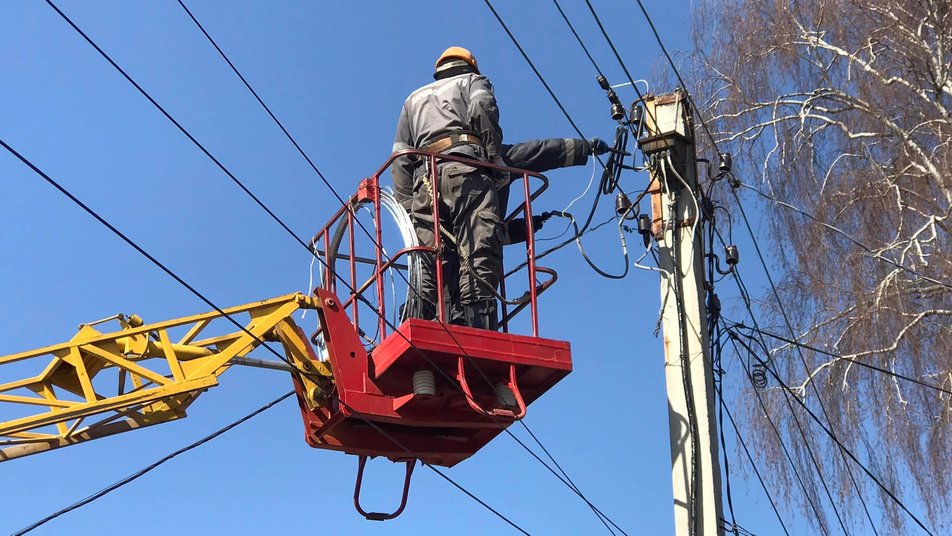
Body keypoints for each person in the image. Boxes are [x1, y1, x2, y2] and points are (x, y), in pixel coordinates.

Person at [391, 46, 504, 330]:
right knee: (478, 240)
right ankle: (477, 318)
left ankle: (419, 315)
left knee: (428, 254)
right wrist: (494, 157)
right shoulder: (473, 82)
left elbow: (400, 157)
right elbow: (482, 109)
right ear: (470, 66)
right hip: (466, 168)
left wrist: (407, 208)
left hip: (424, 181)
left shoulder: (412, 99)